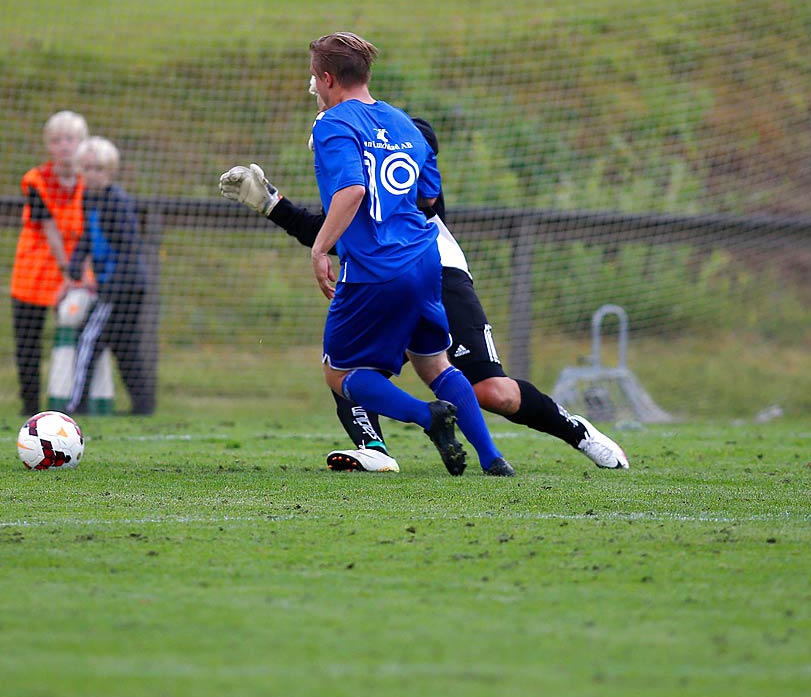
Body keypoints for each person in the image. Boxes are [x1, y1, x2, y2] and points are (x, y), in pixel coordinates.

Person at [220, 120, 630, 472]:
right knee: (349, 366)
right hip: (382, 279)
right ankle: (374, 448)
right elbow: (330, 231)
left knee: (493, 392)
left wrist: (338, 131)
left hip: (438, 273)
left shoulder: (402, 158)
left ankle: (574, 430)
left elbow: (409, 177)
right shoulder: (360, 179)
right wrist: (271, 203)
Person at [302, 32, 507, 476]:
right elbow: (429, 198)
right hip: (424, 259)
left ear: (328, 78)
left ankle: (426, 417)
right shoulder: (405, 123)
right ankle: (493, 459)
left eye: (314, 79)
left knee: (339, 374)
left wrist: (321, 249)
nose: (313, 88)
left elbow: (353, 189)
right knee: (435, 363)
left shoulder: (333, 123)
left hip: (374, 267)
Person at [62, 137, 154, 416]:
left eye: (99, 169)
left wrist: (112, 286)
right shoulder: (89, 199)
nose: (92, 174)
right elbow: (88, 238)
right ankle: (143, 407)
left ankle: (76, 405)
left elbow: (130, 246)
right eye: (87, 168)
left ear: (110, 170)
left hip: (124, 287)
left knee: (89, 338)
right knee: (124, 347)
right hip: (116, 285)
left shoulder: (117, 202)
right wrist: (76, 262)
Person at [11, 110, 88, 418]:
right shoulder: (36, 180)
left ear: (82, 142)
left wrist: (76, 275)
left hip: (77, 272)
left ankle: (72, 405)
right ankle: (29, 409)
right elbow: (49, 229)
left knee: (78, 339)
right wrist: (68, 272)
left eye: (70, 139)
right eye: (56, 140)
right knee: (28, 344)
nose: (64, 146)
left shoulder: (89, 181)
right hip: (35, 271)